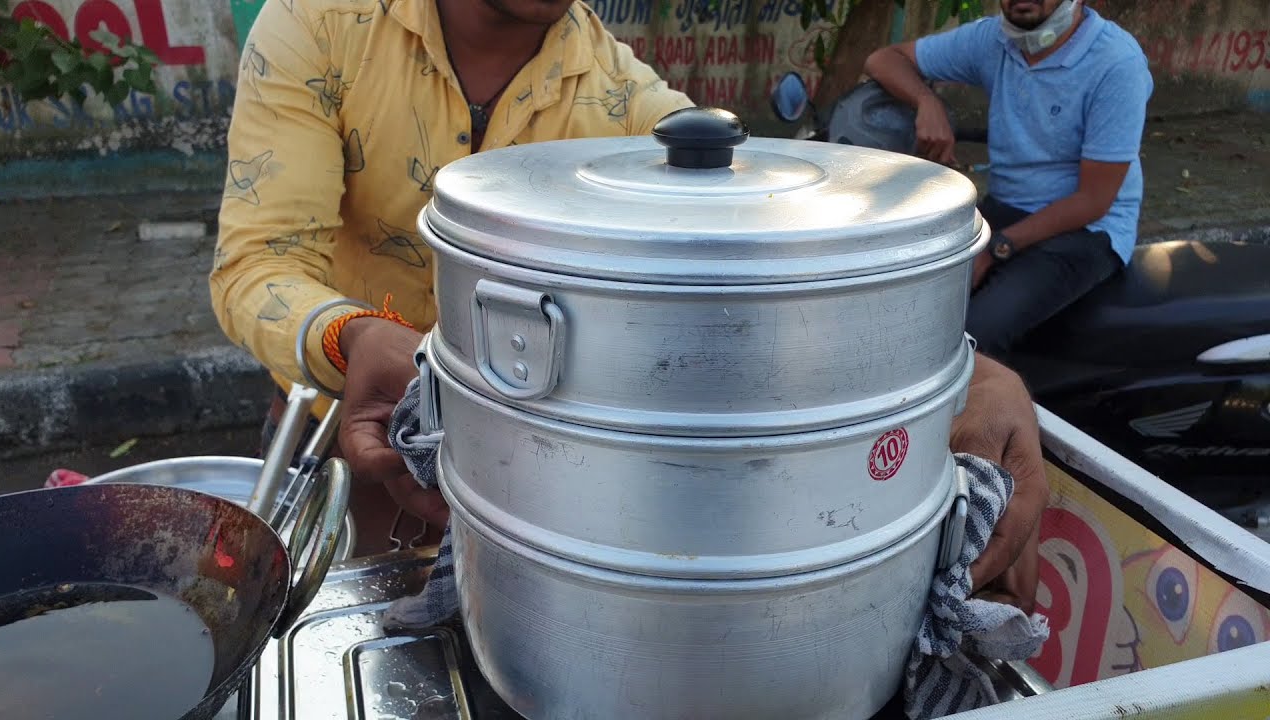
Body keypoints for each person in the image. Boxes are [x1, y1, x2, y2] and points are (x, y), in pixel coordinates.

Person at [211, 0, 1047, 611]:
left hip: (544, 464)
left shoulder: (610, 86)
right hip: (367, 440)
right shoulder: (317, 27)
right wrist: (355, 335)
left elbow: (748, 234)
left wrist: (960, 364)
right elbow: (259, 263)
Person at [864, 0, 1154, 358]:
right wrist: (927, 101)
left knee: (969, 338)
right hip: (1004, 208)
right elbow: (884, 59)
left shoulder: (1116, 63)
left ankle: (982, 413)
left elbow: (1094, 200)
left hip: (1085, 231)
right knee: (894, 303)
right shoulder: (995, 39)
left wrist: (997, 248)